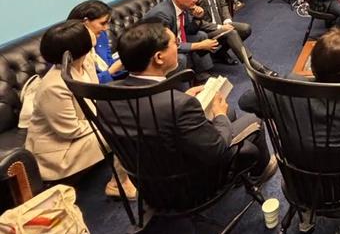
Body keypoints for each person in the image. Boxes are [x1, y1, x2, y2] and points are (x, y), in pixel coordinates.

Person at [99, 21, 277, 198]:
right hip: (188, 186)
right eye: (175, 43)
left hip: (148, 186)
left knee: (229, 114)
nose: (178, 47)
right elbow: (216, 148)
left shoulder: (105, 99)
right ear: (159, 57)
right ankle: (259, 173)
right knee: (253, 122)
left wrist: (185, 100)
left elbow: (151, 120)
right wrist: (220, 114)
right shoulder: (178, 104)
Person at [238, 28, 340, 170]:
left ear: (313, 64)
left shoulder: (288, 86)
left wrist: (278, 112)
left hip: (297, 172)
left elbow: (245, 102)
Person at [24, 20, 135, 198]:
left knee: (130, 114)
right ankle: (118, 183)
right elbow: (70, 130)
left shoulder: (86, 61)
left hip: (84, 128)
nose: (97, 31)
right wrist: (109, 121)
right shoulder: (54, 86)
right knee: (124, 129)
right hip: (59, 151)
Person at [191, 0, 276, 76]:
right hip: (207, 29)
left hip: (221, 24)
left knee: (245, 29)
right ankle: (255, 66)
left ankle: (220, 53)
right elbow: (195, 21)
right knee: (231, 33)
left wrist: (227, 21)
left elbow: (223, 4)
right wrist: (220, 27)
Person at [143, 0, 218, 81]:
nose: (196, 0)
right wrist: (200, 45)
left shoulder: (183, 7)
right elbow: (165, 45)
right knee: (180, 58)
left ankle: (202, 74)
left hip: (176, 38)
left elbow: (189, 31)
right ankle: (183, 86)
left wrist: (197, 17)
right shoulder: (162, 14)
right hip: (157, 50)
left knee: (201, 35)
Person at [67, 0, 126, 84]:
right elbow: (83, 83)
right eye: (103, 23)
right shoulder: (71, 47)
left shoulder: (101, 35)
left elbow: (109, 62)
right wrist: (111, 71)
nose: (106, 28)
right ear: (85, 22)